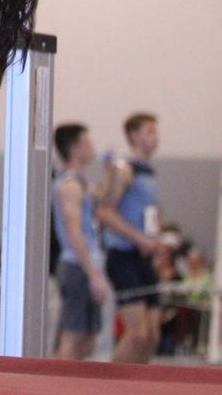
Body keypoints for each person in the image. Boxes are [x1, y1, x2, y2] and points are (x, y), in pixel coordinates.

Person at [98, 112, 161, 364]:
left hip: (143, 257)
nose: (156, 137)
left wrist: (155, 240)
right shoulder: (125, 170)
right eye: (150, 131)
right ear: (134, 135)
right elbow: (104, 211)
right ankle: (105, 388)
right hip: (123, 256)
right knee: (137, 334)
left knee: (152, 336)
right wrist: (139, 239)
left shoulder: (149, 172)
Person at [51, 123, 109, 360]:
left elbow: (106, 197)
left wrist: (112, 172)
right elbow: (74, 232)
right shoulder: (70, 186)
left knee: (88, 340)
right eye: (87, 141)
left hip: (86, 264)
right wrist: (93, 274)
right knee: (73, 338)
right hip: (77, 266)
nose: (92, 146)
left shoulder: (81, 183)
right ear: (75, 148)